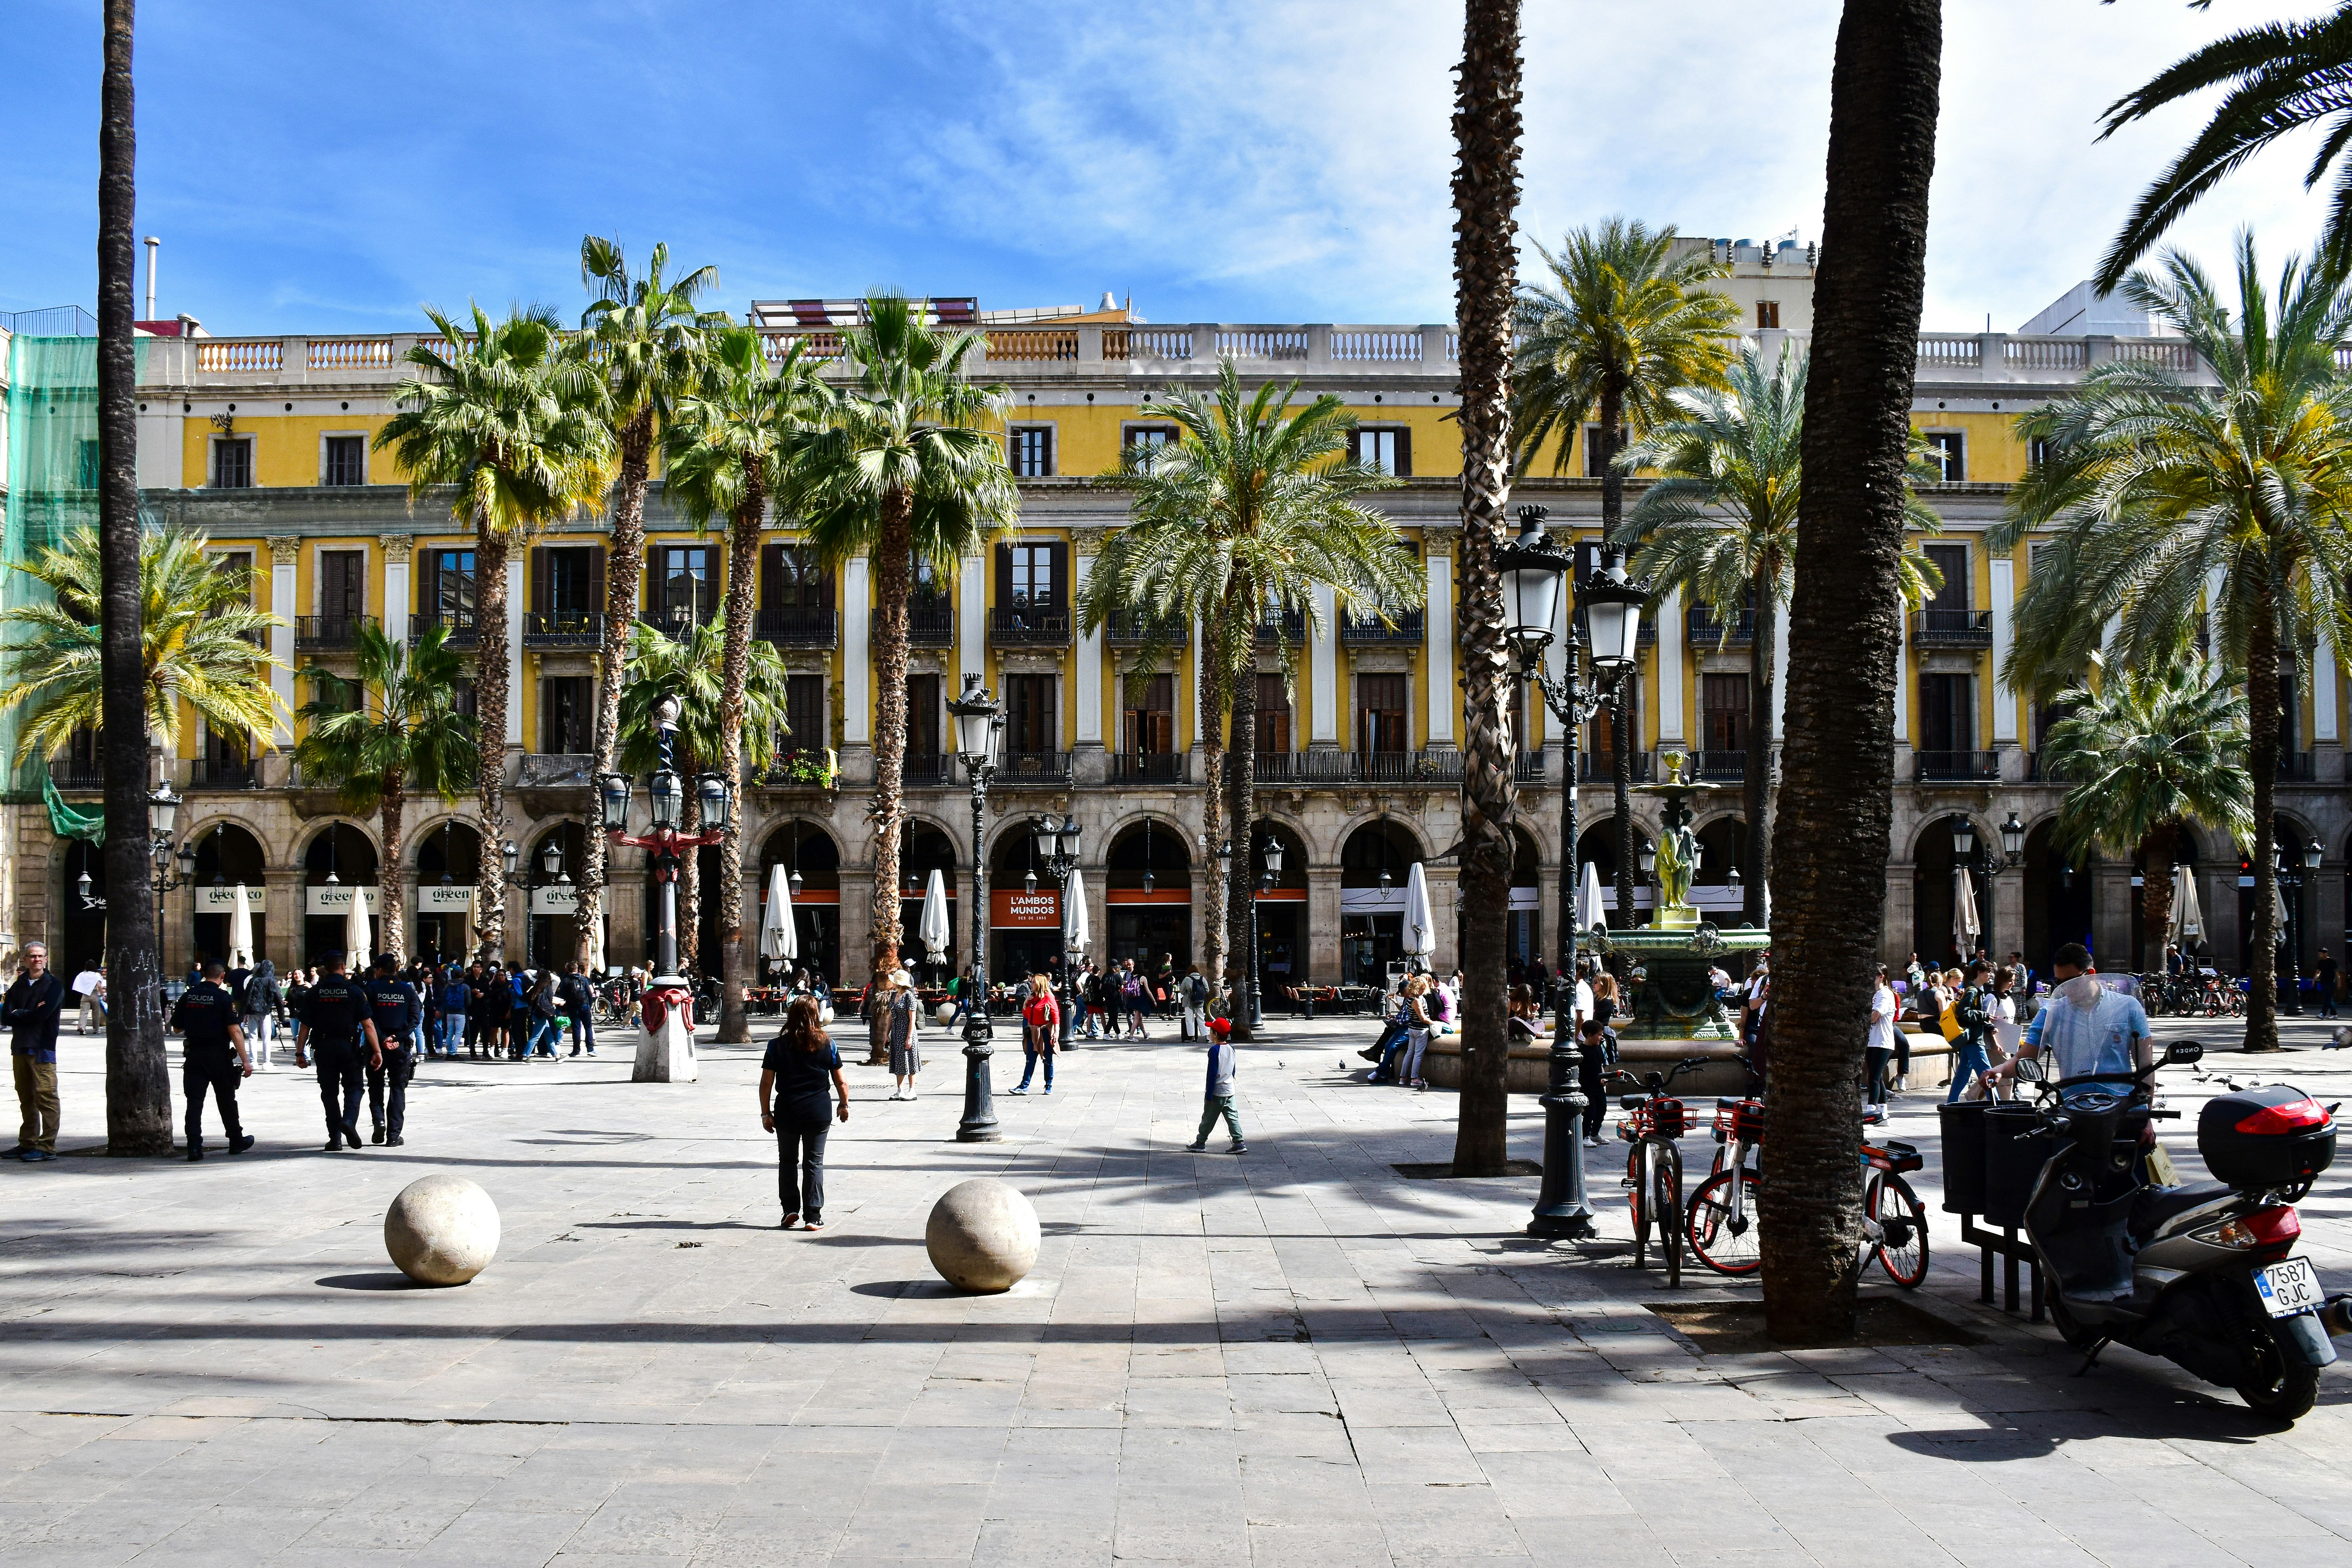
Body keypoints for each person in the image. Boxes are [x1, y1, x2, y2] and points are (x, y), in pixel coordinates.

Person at [1995, 942, 2153, 1098]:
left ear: (2091, 974)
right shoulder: (2050, 1014)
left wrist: (2146, 1114)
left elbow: (2146, 1067)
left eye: (2070, 982)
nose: (2064, 988)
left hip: (2119, 1106)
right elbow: (2024, 1059)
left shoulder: (2128, 1007)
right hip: (2073, 1106)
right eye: (2059, 983)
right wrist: (1999, 1071)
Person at [759, 996, 848, 1230]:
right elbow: (841, 1081)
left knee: (787, 1161)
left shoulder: (776, 1046)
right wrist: (844, 1104)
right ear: (816, 1015)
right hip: (818, 1111)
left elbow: (766, 1084)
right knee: (814, 1163)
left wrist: (766, 1113)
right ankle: (813, 1216)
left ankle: (790, 1209)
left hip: (788, 1111)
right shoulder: (828, 1044)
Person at [295, 951, 380, 1152]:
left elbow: (304, 1026)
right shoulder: (354, 991)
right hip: (349, 1047)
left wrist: (300, 1053)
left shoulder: (315, 992)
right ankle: (349, 1121)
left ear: (326, 969)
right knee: (354, 1087)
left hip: (324, 1047)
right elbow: (368, 1025)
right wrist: (377, 1050)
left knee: (329, 1093)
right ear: (342, 968)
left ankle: (335, 1139)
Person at [170, 960, 253, 1160]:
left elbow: (177, 1028)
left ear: (204, 975)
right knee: (226, 1100)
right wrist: (246, 1060)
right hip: (218, 1056)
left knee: (195, 1102)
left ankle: (194, 1147)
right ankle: (236, 1140)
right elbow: (235, 1031)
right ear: (222, 976)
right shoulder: (223, 998)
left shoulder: (188, 996)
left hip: (194, 1056)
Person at [5, 943, 68, 1162]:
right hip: (20, 1046)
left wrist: (19, 1013)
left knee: (46, 1096)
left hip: (43, 1047)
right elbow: (5, 1015)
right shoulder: (19, 984)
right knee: (26, 1097)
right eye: (32, 956)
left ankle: (48, 1146)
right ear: (25, 959)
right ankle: (28, 1143)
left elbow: (43, 1015)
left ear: (47, 959)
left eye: (41, 956)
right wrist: (29, 1012)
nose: (37, 960)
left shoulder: (54, 986)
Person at [363, 954, 421, 1145]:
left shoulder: (371, 989)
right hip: (401, 1047)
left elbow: (367, 1019)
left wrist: (382, 1039)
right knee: (398, 1089)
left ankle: (379, 1121)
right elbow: (414, 1019)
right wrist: (397, 1038)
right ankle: (394, 1135)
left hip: (375, 1046)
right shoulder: (408, 990)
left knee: (376, 1086)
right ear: (396, 969)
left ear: (379, 970)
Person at [1185, 1015, 1247, 1153]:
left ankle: (1201, 1142)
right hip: (1230, 1090)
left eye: (1211, 1031)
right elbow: (1233, 1070)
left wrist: (1209, 1093)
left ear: (1216, 1035)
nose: (1210, 1033)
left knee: (1208, 1118)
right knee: (1232, 1116)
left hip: (1217, 1091)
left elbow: (1212, 1074)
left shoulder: (1214, 1051)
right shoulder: (1231, 1049)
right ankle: (1239, 1142)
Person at [1946, 960, 1997, 1104]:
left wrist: (1987, 1026)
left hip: (1971, 1039)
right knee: (1987, 1073)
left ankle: (1951, 1102)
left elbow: (1972, 1015)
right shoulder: (1974, 991)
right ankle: (1996, 1103)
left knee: (1963, 1073)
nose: (1991, 975)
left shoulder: (1976, 990)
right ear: (1980, 973)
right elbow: (1964, 1012)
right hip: (1974, 1040)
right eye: (1989, 972)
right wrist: (1985, 1017)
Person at [1007, 973, 1060, 1095]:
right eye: (1032, 982)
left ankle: (1049, 1086)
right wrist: (1025, 1005)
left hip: (1045, 1033)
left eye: (1034, 983)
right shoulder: (1032, 997)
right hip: (1033, 1032)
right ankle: (1024, 1086)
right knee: (1030, 1059)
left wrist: (1057, 1031)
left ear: (1040, 984)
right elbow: (1027, 1016)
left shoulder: (1048, 997)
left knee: (1047, 1059)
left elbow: (1055, 1014)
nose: (1032, 984)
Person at [1865, 964, 1898, 1115]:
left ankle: (1871, 1111)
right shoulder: (1874, 994)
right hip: (1872, 1041)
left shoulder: (1885, 994)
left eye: (1872, 975)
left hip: (1883, 1042)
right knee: (1877, 1078)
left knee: (1873, 1078)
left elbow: (1875, 1016)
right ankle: (1883, 1114)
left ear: (1881, 977)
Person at [240, 959, 282, 1072]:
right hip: (265, 1012)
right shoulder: (272, 981)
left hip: (252, 1012)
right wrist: (282, 1016)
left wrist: (241, 1015)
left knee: (253, 1037)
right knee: (266, 1038)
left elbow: (246, 998)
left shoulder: (254, 980)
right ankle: (267, 1062)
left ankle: (254, 1062)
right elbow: (279, 998)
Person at [1398, 974, 1436, 1090]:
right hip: (1420, 1030)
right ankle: (1415, 1078)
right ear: (1417, 988)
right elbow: (1423, 1018)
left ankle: (1403, 1077)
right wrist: (1435, 1023)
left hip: (1412, 1028)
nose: (1424, 991)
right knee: (1418, 1054)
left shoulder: (1409, 998)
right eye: (1422, 988)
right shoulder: (1416, 1001)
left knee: (1410, 1053)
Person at [561, 962, 597, 1056]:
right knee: (588, 1027)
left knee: (576, 1029)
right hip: (585, 1006)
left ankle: (576, 1050)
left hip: (572, 1008)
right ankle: (591, 1049)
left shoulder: (566, 980)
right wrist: (590, 1005)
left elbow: (563, 996)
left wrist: (563, 1010)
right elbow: (589, 994)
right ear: (577, 969)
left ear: (568, 970)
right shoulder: (583, 979)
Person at [72, 964, 105, 1033]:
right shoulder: (97, 975)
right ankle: (96, 1030)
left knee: (84, 1012)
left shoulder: (82, 974)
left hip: (85, 995)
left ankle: (82, 1027)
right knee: (96, 1013)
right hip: (94, 994)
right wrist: (103, 996)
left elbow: (78, 983)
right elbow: (99, 986)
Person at [1181, 965, 1209, 1041]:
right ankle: (1207, 1037)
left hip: (1188, 1002)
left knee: (1190, 1020)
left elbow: (1182, 991)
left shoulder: (1187, 979)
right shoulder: (1202, 978)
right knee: (1201, 1018)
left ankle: (1193, 1038)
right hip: (1199, 1002)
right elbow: (1207, 990)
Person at [2319, 949, 2341, 1020]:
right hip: (2323, 981)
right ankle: (2334, 1014)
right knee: (2329, 998)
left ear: (2326, 954)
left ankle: (2323, 1013)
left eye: (2321, 954)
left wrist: (2339, 982)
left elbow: (2337, 973)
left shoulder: (2332, 962)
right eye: (2319, 954)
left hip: (2331, 981)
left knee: (2327, 997)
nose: (2320, 956)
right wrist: (2314, 979)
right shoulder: (2321, 962)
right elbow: (2319, 971)